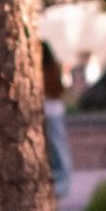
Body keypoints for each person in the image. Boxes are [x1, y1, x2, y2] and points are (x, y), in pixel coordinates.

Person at [40, 41, 74, 199]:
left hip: (49, 111)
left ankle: (59, 185)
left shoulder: (43, 71)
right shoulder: (52, 70)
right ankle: (60, 184)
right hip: (54, 110)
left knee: (57, 149)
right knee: (58, 148)